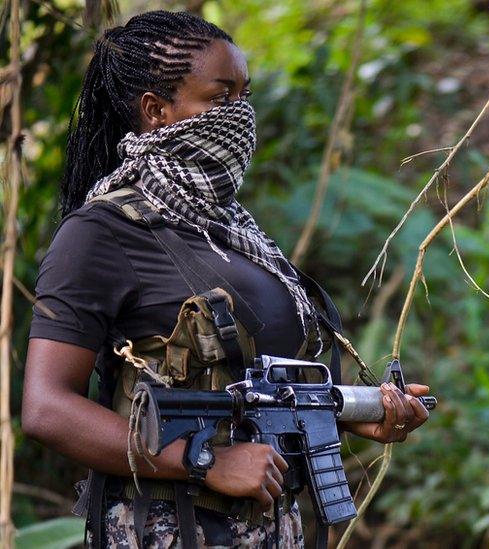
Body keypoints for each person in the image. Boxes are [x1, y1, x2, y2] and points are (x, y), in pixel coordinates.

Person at [21, 10, 429, 548]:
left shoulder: (232, 229)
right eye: (220, 97)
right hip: (166, 530)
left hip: (268, 529)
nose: (240, 114)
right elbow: (47, 408)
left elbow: (255, 386)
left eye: (245, 95)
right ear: (156, 111)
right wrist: (201, 461)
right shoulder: (102, 232)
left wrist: (355, 413)